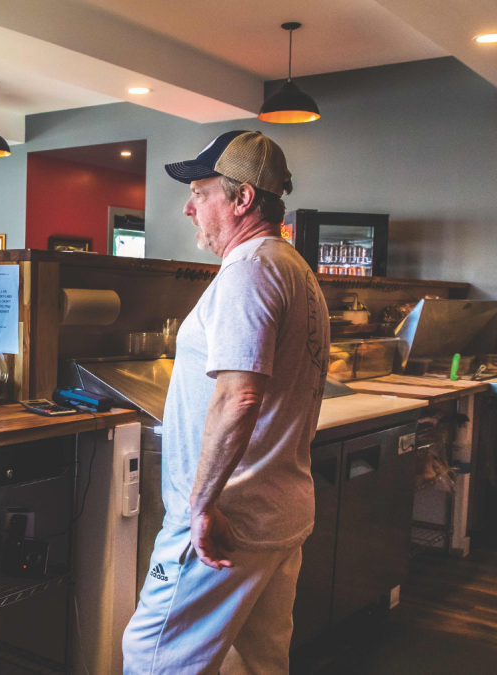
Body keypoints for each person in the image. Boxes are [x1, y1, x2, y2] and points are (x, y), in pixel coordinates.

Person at [122, 130, 329, 675]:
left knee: (153, 658)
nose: (189, 207)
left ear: (242, 199)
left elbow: (239, 397)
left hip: (226, 520)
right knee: (257, 663)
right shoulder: (294, 268)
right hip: (277, 510)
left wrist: (201, 506)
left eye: (201, 191)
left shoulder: (250, 270)